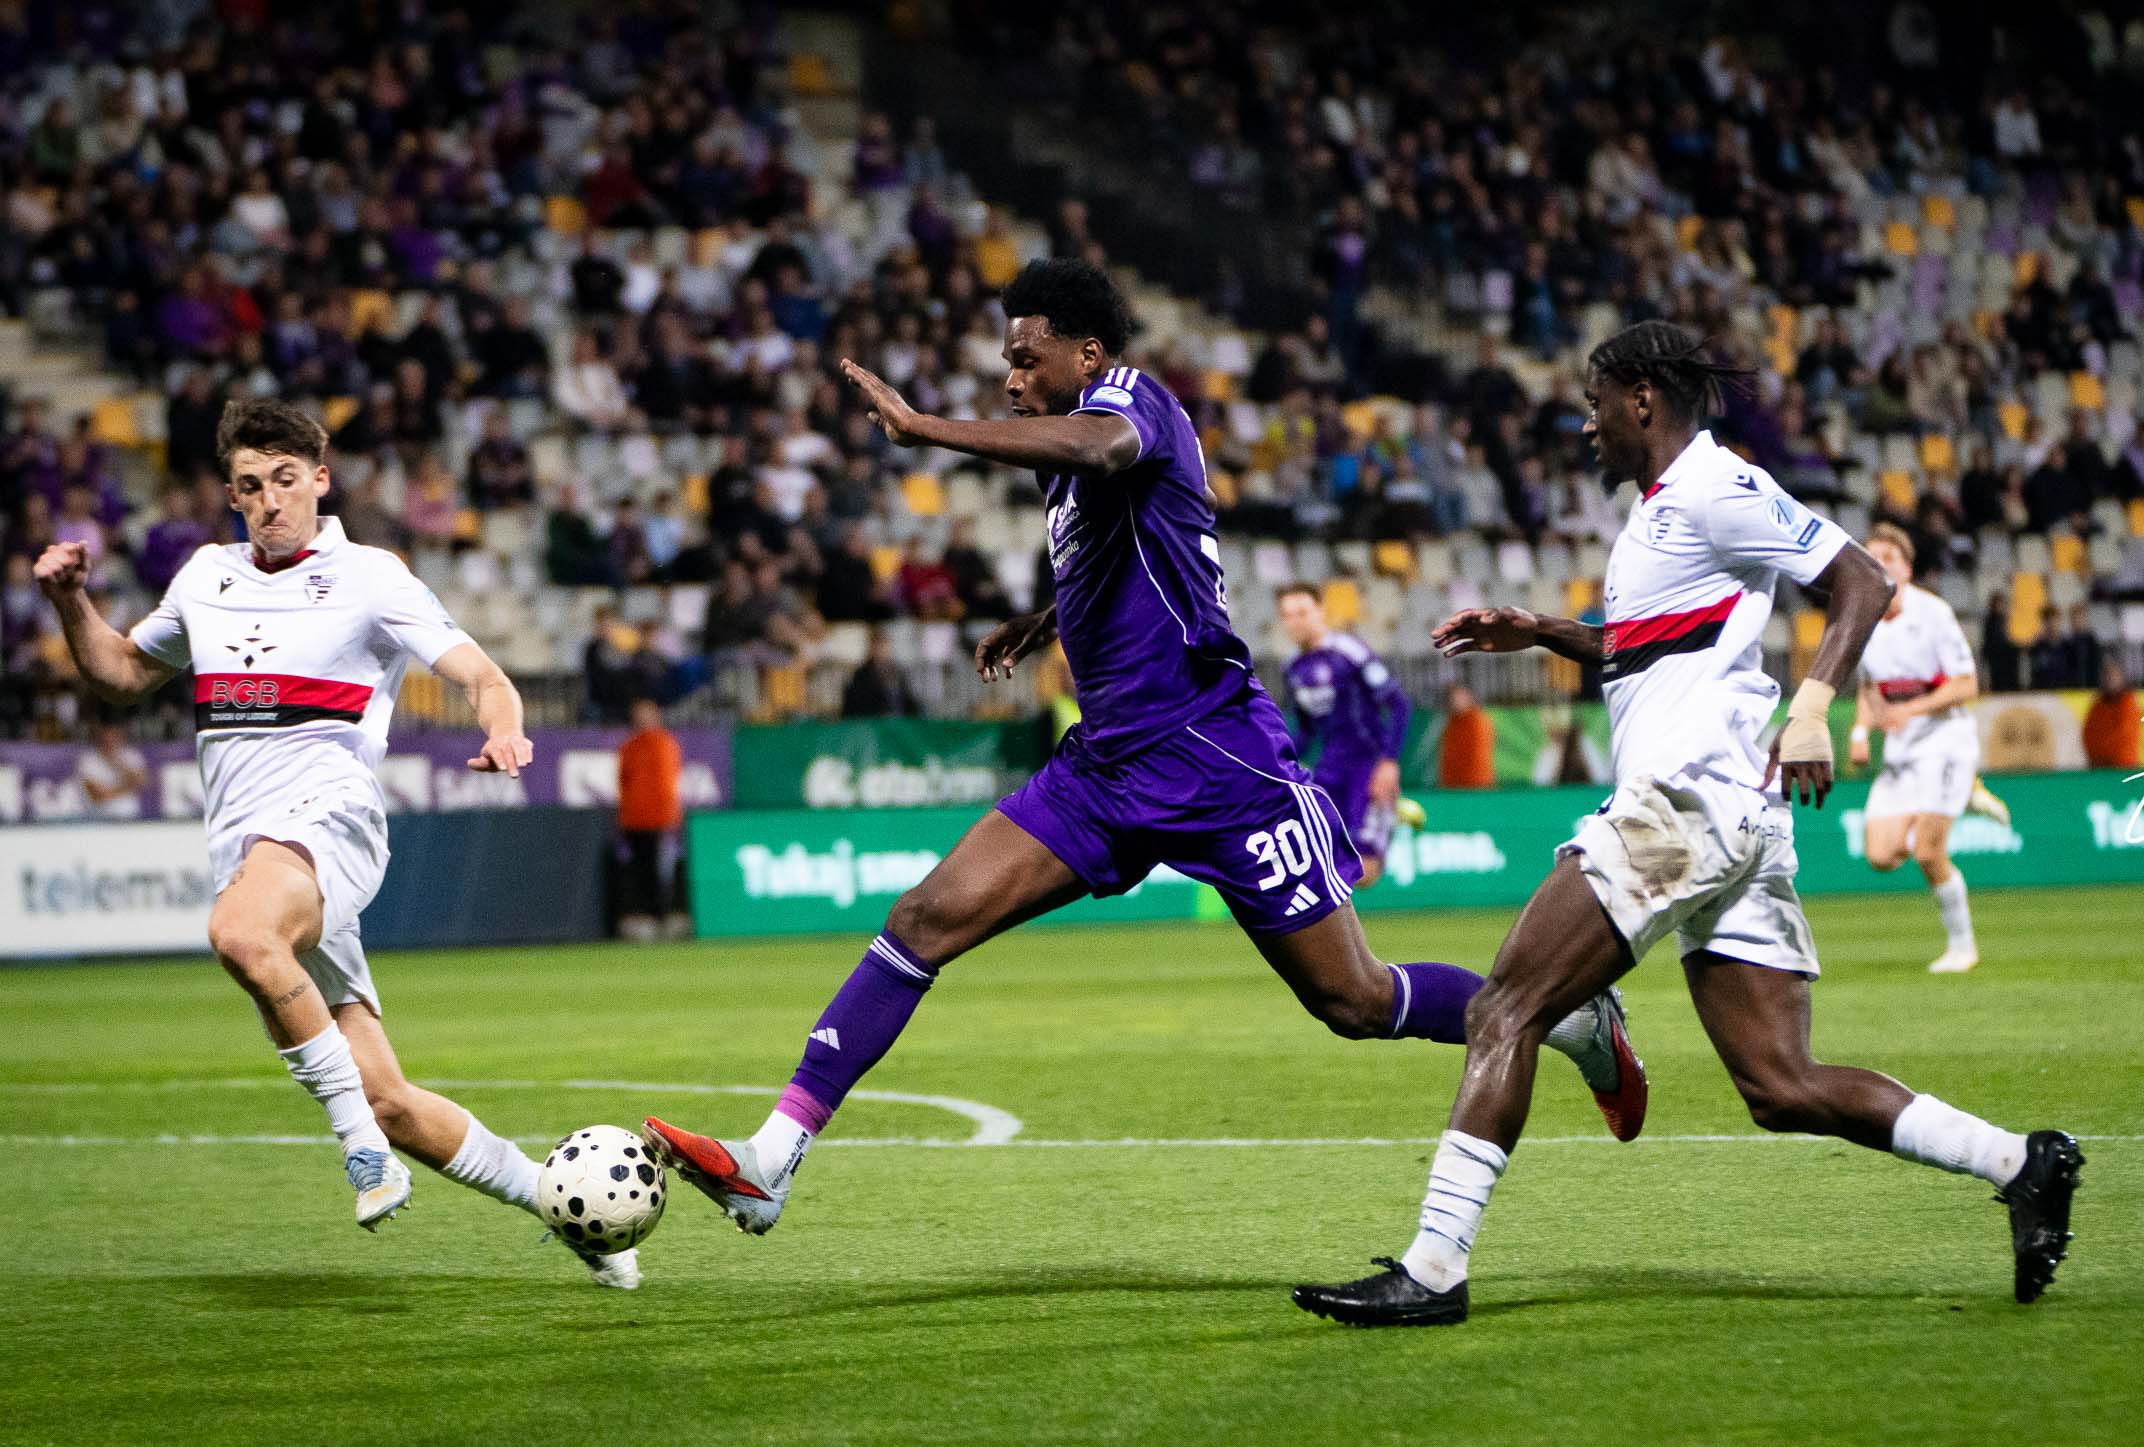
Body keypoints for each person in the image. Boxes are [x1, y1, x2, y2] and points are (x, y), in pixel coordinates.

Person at [643, 260, 1649, 1233]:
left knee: (1352, 998)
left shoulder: (1133, 399)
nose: (1011, 378)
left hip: (1217, 760)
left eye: (1027, 358)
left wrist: (923, 428)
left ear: (1087, 353)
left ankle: (1567, 1020)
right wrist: (1045, 621)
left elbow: (1105, 451)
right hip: (1105, 770)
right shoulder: (1071, 460)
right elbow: (1140, 546)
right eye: (1006, 361)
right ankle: (771, 1160)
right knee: (923, 917)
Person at [1291, 324, 2081, 1327]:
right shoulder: (1659, 514)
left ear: (1641, 400)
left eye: (1595, 403)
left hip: (1685, 807)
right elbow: (1643, 648)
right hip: (1731, 817)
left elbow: (1863, 582)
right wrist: (1540, 632)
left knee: (1506, 1008)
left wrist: (1811, 709)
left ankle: (1434, 1267)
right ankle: (2018, 1162)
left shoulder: (1716, 484)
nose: (1586, 425)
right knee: (1780, 1085)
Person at [33, 400, 640, 1290]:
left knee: (241, 935)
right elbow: (122, 672)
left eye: (286, 479)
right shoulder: (205, 577)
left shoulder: (370, 577)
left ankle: (360, 1152)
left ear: (320, 479)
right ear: (232, 496)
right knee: (392, 1100)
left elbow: (482, 675)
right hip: (255, 854)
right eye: (250, 485)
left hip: (333, 821)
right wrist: (69, 599)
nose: (270, 500)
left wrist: (505, 728)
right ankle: (567, 1209)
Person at [1847, 525, 1987, 973]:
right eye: (1871, 557)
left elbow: (1967, 685)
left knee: (1927, 850)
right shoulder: (1862, 619)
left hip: (1945, 740)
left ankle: (1962, 948)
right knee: (1880, 855)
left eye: (1888, 557)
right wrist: (1860, 731)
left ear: (1906, 569)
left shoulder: (1934, 614)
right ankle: (1962, 793)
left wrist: (1912, 709)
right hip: (1901, 750)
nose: (1879, 564)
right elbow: (1871, 689)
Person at [1277, 582, 1423, 886]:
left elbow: (1398, 705)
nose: (1295, 621)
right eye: (1288, 615)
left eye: (1302, 612)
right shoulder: (1292, 667)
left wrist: (1389, 762)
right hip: (1329, 768)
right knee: (1320, 865)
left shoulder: (1349, 652)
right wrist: (1280, 765)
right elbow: (1305, 730)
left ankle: (1390, 813)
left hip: (1367, 766)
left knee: (1364, 873)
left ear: (1320, 611)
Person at [617, 699, 685, 940]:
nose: (642, 720)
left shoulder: (664, 744)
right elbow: (624, 782)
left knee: (660, 870)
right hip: (634, 819)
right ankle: (645, 917)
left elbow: (666, 784)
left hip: (659, 819)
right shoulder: (629, 747)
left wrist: (669, 815)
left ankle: (663, 917)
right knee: (640, 870)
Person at [75, 720, 148, 820]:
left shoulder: (131, 755)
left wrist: (117, 763)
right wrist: (129, 786)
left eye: (115, 735)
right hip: (100, 818)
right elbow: (98, 796)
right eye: (107, 735)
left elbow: (143, 781)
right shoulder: (88, 760)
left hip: (130, 817)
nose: (110, 739)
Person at [2083, 659, 2141, 768]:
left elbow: (2123, 734)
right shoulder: (2098, 705)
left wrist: (2102, 751)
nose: (2109, 679)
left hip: (2123, 765)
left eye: (2113, 676)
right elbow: (2089, 732)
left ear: (2121, 678)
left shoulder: (2128, 703)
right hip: (2099, 764)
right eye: (2106, 676)